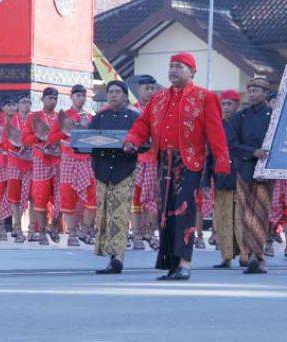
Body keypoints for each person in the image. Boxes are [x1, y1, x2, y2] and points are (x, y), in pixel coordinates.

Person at [125, 52, 230, 281]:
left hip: (190, 163)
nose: (173, 70)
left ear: (192, 72)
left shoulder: (205, 97)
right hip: (163, 162)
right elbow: (142, 124)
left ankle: (185, 263)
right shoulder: (159, 98)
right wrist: (133, 140)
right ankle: (171, 263)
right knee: (165, 213)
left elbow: (216, 133)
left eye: (179, 66)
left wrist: (222, 163)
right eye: (171, 66)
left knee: (184, 209)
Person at [88, 81, 140, 274]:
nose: (113, 95)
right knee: (103, 215)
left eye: (118, 92)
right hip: (102, 172)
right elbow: (87, 141)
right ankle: (109, 255)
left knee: (119, 215)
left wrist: (132, 146)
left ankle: (118, 257)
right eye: (110, 92)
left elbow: (144, 142)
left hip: (123, 171)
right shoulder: (99, 117)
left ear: (125, 96)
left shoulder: (135, 118)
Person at [228, 77, 273, 274]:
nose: (253, 94)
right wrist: (252, 151)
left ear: (265, 94)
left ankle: (259, 256)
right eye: (251, 90)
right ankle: (246, 254)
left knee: (261, 213)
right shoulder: (240, 117)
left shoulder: (273, 116)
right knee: (245, 214)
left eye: (257, 90)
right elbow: (231, 144)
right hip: (245, 170)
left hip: (266, 172)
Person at [48, 84, 95, 247]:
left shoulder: (90, 117)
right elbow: (52, 137)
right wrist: (68, 128)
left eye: (82, 96)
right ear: (71, 97)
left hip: (88, 160)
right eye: (77, 96)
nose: (80, 98)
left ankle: (85, 229)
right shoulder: (63, 116)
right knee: (68, 196)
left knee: (92, 198)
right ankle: (72, 234)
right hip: (68, 159)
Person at [212, 89, 248, 269]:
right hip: (221, 177)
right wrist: (206, 179)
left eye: (229, 103)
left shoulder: (243, 122)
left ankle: (244, 254)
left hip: (241, 175)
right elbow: (210, 153)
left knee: (241, 217)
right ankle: (226, 256)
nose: (226, 107)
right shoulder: (216, 125)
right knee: (222, 217)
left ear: (237, 105)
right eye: (223, 103)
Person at [23, 87, 61, 245]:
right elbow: (25, 138)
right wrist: (39, 138)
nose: (52, 101)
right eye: (49, 98)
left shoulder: (61, 118)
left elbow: (67, 135)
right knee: (40, 197)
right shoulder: (33, 117)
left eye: (55, 99)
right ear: (43, 99)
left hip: (59, 160)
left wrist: (55, 138)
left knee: (61, 197)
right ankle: (42, 232)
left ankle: (54, 226)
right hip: (40, 160)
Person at [131, 75, 160, 250]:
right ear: (139, 90)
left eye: (152, 88)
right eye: (146, 88)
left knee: (152, 199)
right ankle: (136, 234)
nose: (149, 91)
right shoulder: (132, 111)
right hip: (135, 161)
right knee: (135, 198)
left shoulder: (159, 110)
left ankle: (150, 233)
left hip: (153, 160)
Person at [6, 95, 33, 243]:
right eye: (23, 102)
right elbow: (4, 141)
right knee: (15, 197)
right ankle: (17, 227)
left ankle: (32, 228)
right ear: (17, 105)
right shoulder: (11, 122)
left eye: (29, 102)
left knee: (32, 196)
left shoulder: (35, 120)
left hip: (31, 162)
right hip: (15, 162)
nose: (26, 105)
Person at [0, 97, 17, 240]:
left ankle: (12, 223)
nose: (12, 108)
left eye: (13, 105)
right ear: (3, 107)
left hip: (15, 161)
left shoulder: (19, 122)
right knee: (0, 194)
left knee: (13, 192)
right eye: (8, 105)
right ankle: (2, 224)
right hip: (0, 162)